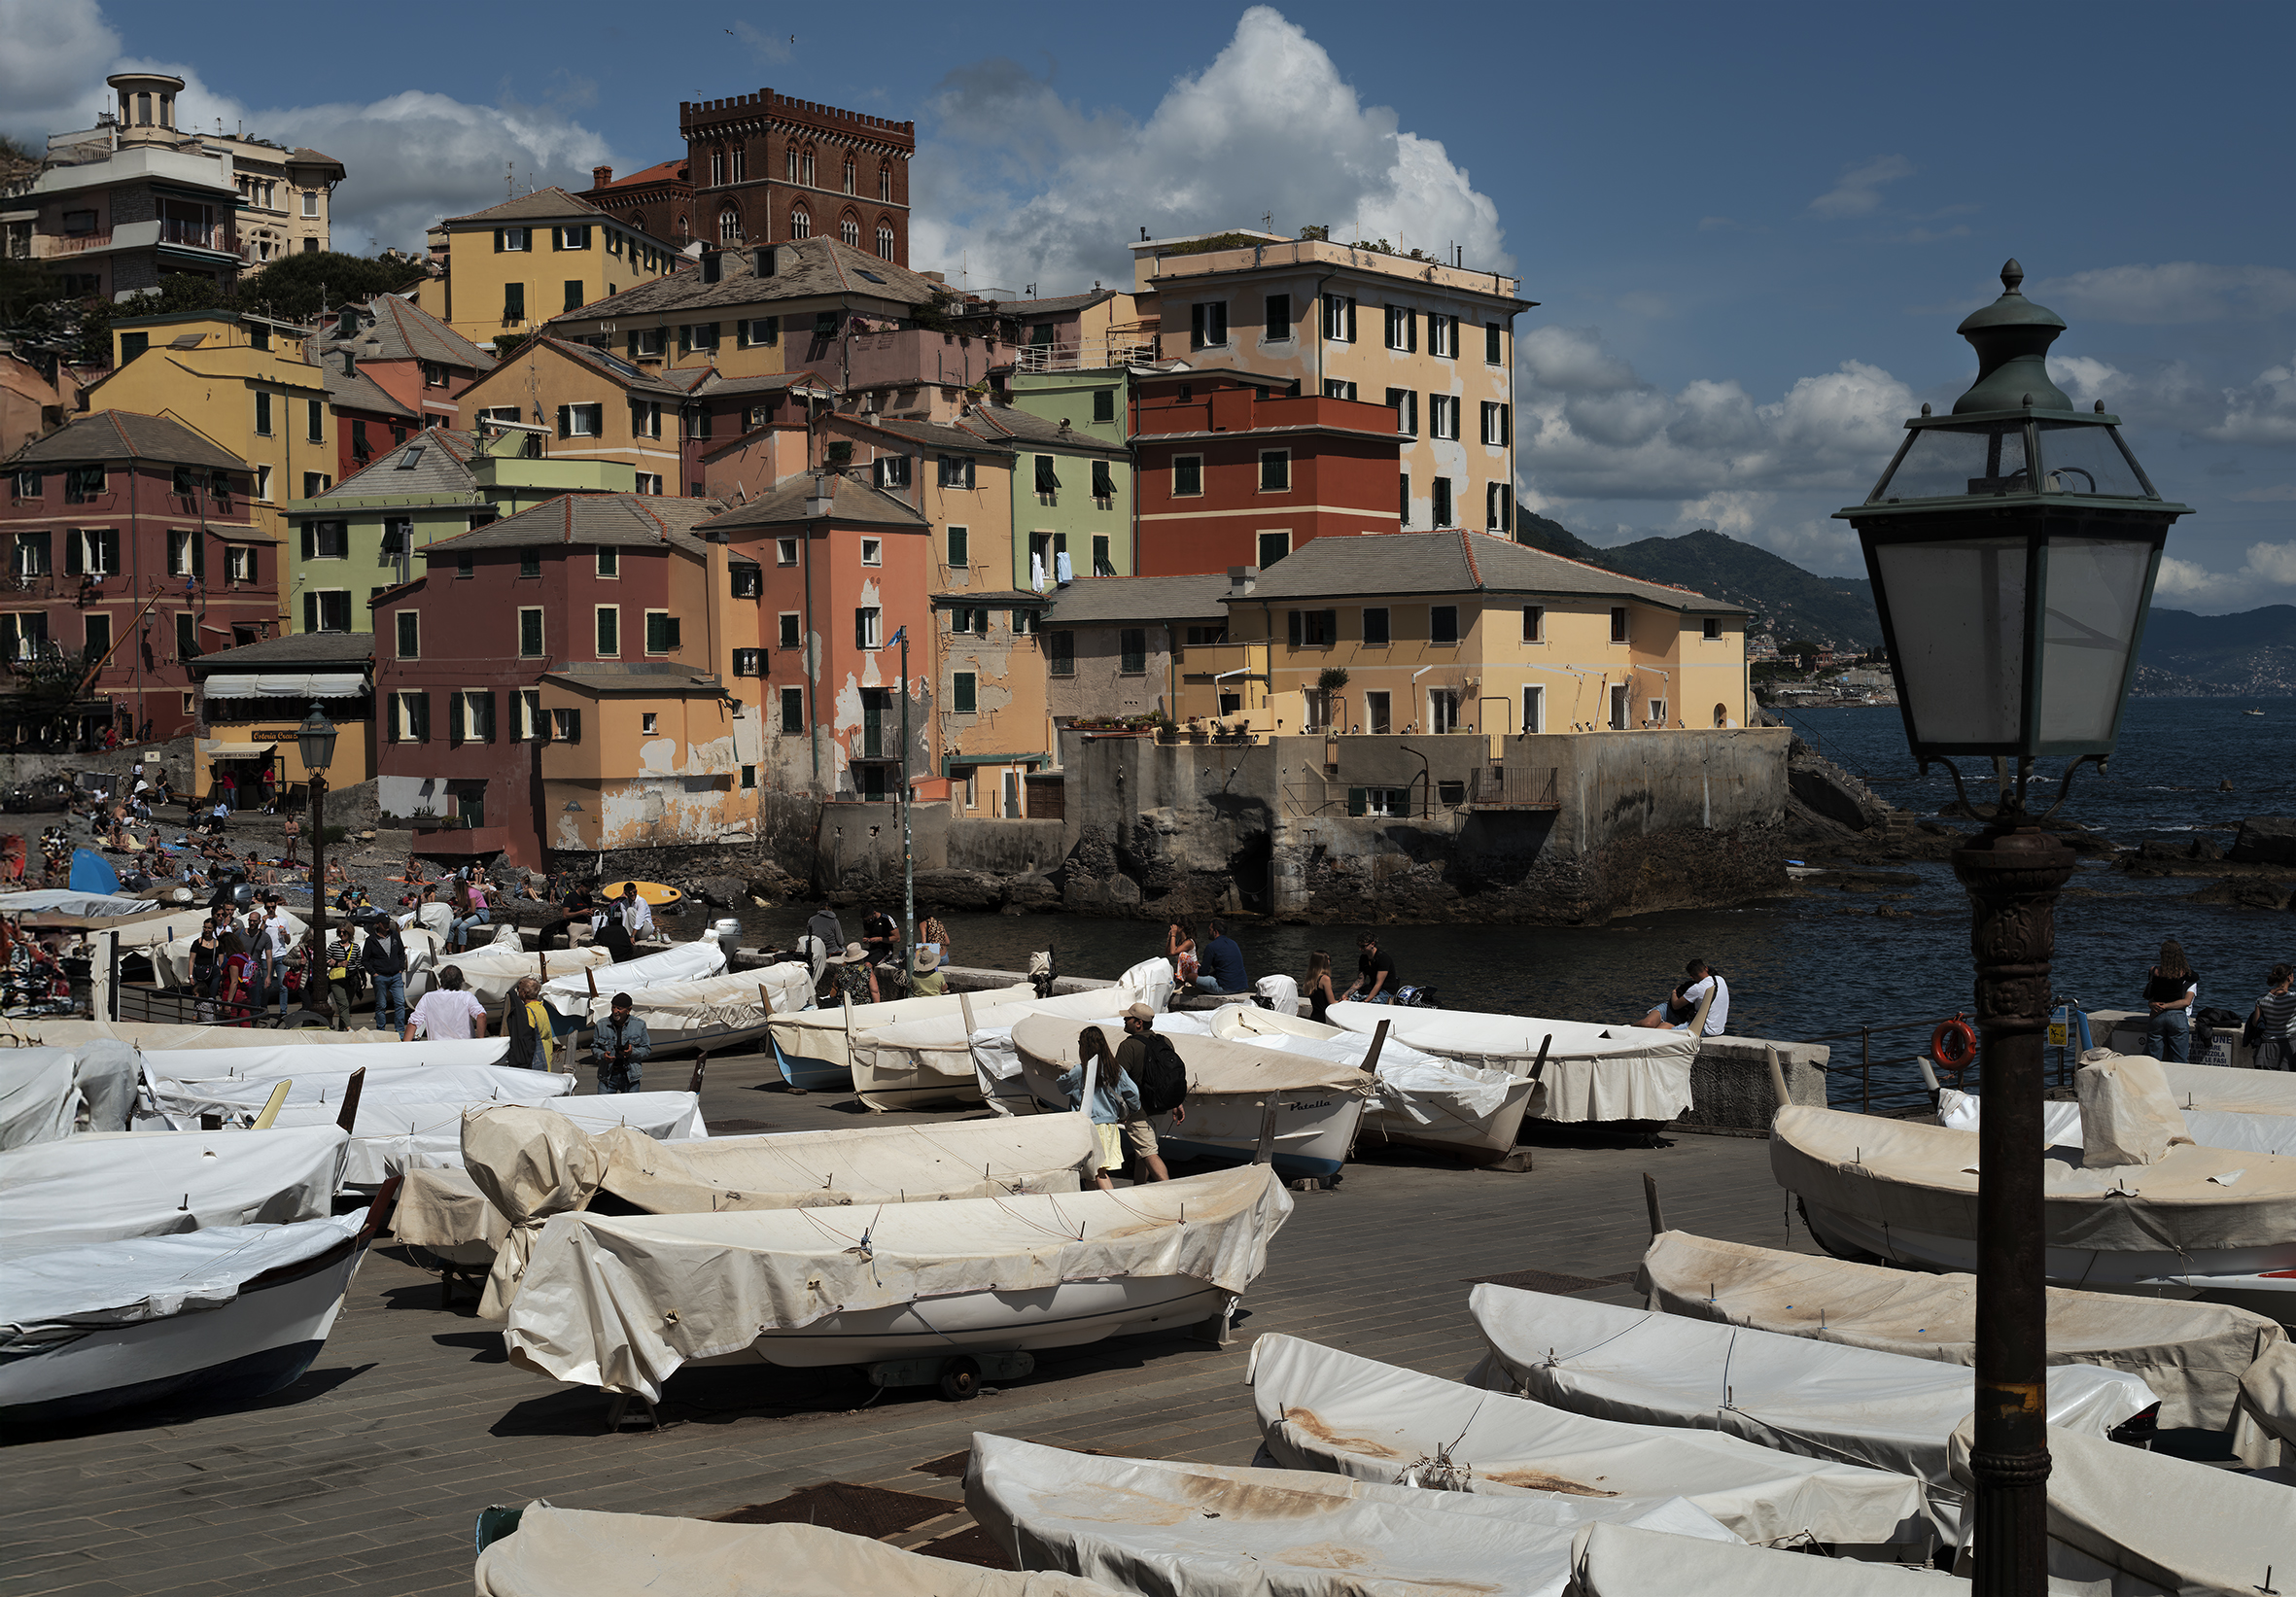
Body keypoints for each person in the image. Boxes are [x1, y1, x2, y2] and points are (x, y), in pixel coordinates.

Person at [1061, 1025, 1145, 1192]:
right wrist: (1132, 1110)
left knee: (1098, 1172)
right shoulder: (1115, 1069)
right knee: (1093, 1173)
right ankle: (1096, 1207)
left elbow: (1062, 1087)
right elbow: (1133, 1093)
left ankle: (1116, 1205)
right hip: (1109, 1127)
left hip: (1088, 1127)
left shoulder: (1079, 1071)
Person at [1111, 1002, 1185, 1182]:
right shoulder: (1164, 1042)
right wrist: (1177, 1102)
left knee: (1148, 1153)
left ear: (1138, 1023)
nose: (1124, 1020)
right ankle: (1139, 1189)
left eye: (1128, 1018)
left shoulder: (1128, 1046)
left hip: (1138, 1112)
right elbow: (1171, 1076)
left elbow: (1117, 1080)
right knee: (1142, 1153)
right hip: (1160, 1108)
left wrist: (1118, 1109)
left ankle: (1168, 1190)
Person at [2143, 940, 2200, 1062]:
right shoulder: (2183, 973)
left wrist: (2155, 1005)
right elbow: (2195, 978)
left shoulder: (2154, 971)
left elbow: (2151, 993)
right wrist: (2167, 1006)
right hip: (2177, 1015)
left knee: (2153, 1059)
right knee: (2179, 1059)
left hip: (2156, 1015)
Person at [403, 965, 487, 1041]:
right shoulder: (467, 997)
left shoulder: (428, 997)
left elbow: (414, 1022)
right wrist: (480, 1040)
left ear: (441, 979)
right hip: (463, 1046)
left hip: (437, 1047)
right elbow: (481, 1015)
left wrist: (405, 1047)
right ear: (461, 981)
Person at [592, 992, 651, 1093]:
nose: (615, 1011)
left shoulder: (639, 1025)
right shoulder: (601, 1024)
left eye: (619, 1008)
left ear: (628, 1010)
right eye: (613, 1007)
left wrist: (632, 1052)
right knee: (603, 1106)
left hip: (630, 1077)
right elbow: (594, 1047)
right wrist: (603, 1055)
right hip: (607, 1077)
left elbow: (646, 1049)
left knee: (630, 1107)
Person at [362, 914, 410, 1030]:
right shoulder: (371, 941)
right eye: (384, 923)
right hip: (380, 977)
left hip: (395, 975)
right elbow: (365, 959)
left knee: (400, 1003)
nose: (387, 925)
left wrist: (400, 969)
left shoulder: (394, 935)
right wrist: (374, 973)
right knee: (381, 1006)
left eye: (388, 922)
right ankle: (381, 1030)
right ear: (378, 924)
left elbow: (401, 953)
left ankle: (400, 1030)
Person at [502, 975, 554, 1070]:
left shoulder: (528, 1012)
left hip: (535, 1057)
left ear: (524, 993)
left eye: (519, 990)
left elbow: (526, 1036)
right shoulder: (542, 1008)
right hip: (546, 1054)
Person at [2253, 964, 2296, 1073]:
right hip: (2289, 1045)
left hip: (2267, 1046)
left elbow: (2255, 1023)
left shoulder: (2262, 998)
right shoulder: (2293, 998)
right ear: (2289, 977)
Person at [1196, 919, 1249, 994]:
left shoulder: (1211, 947)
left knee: (1190, 977)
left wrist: (1197, 969)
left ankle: (1198, 989)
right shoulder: (1233, 943)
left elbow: (1203, 972)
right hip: (1242, 986)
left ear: (1215, 932)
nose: (1208, 932)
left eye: (1210, 930)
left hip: (1226, 988)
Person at [1343, 933, 1396, 1004]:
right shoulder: (1363, 958)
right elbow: (1360, 981)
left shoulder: (1383, 958)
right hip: (1372, 987)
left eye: (1363, 946)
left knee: (1372, 1004)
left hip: (1386, 990)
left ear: (1372, 944)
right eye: (1359, 946)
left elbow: (1378, 984)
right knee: (1350, 999)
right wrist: (1346, 994)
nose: (1360, 949)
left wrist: (1366, 1001)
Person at [539, 885, 595, 951]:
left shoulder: (588, 897)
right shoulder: (570, 897)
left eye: (589, 892)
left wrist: (592, 911)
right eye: (586, 891)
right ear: (581, 887)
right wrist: (581, 912)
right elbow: (565, 915)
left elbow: (591, 907)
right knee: (573, 938)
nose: (588, 893)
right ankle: (574, 954)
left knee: (600, 933)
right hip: (574, 923)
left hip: (587, 923)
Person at [323, 924, 357, 1031]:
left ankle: (342, 1028)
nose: (341, 935)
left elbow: (358, 963)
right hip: (337, 979)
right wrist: (338, 964)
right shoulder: (333, 945)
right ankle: (349, 1028)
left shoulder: (355, 947)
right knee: (343, 1004)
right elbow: (325, 961)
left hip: (351, 978)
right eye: (339, 932)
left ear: (350, 933)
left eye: (344, 932)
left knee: (347, 1005)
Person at [860, 904, 900, 968]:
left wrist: (880, 939)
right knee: (856, 960)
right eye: (866, 920)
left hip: (885, 950)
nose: (868, 922)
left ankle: (869, 977)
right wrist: (866, 939)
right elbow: (866, 934)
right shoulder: (866, 922)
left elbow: (897, 938)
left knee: (868, 964)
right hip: (872, 949)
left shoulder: (886, 919)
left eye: (870, 920)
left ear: (874, 913)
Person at [1304, 951, 1337, 1024]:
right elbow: (1332, 1002)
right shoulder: (1325, 979)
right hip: (1324, 1018)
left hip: (1315, 1016)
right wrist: (1343, 1001)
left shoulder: (1310, 979)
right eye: (1328, 959)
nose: (1329, 961)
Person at [1167, 921, 1200, 988]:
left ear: (1181, 927)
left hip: (1194, 971)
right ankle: (1181, 980)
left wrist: (1174, 935)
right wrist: (1169, 938)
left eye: (1176, 926)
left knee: (1182, 955)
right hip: (1186, 973)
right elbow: (1168, 953)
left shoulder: (1189, 942)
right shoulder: (1179, 941)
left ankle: (1181, 983)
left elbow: (1173, 952)